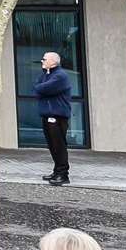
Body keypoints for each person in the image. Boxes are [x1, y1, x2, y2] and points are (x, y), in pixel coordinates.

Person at [36, 51, 74, 185]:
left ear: (53, 61)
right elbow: (38, 87)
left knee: (59, 145)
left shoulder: (60, 76)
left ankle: (63, 174)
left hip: (57, 117)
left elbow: (43, 89)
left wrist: (41, 89)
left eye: (44, 59)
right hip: (48, 115)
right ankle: (57, 171)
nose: (42, 61)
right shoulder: (47, 75)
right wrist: (41, 89)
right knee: (52, 145)